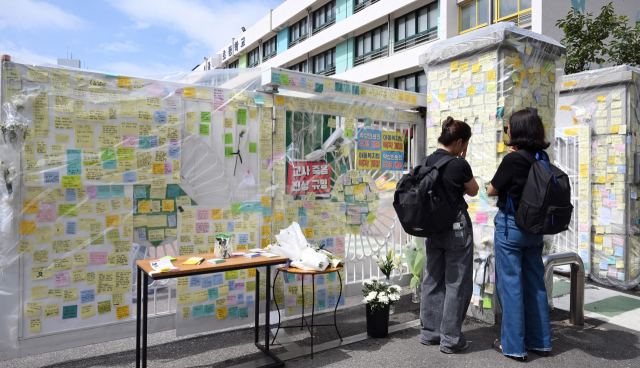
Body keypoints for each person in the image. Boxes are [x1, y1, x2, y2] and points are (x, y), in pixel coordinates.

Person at [488, 109, 552, 362]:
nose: (507, 130)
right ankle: (541, 342)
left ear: (519, 130)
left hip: (511, 227)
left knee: (511, 285)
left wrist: (507, 159)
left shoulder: (512, 160)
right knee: (536, 284)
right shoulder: (542, 157)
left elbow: (493, 190)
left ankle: (512, 345)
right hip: (535, 229)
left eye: (510, 126)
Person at [420, 117, 479, 354]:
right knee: (457, 283)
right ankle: (451, 339)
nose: (464, 149)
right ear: (459, 141)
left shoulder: (427, 161)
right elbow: (473, 191)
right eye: (465, 145)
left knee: (432, 279)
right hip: (456, 228)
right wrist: (461, 163)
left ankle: (429, 333)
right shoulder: (459, 165)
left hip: (432, 228)